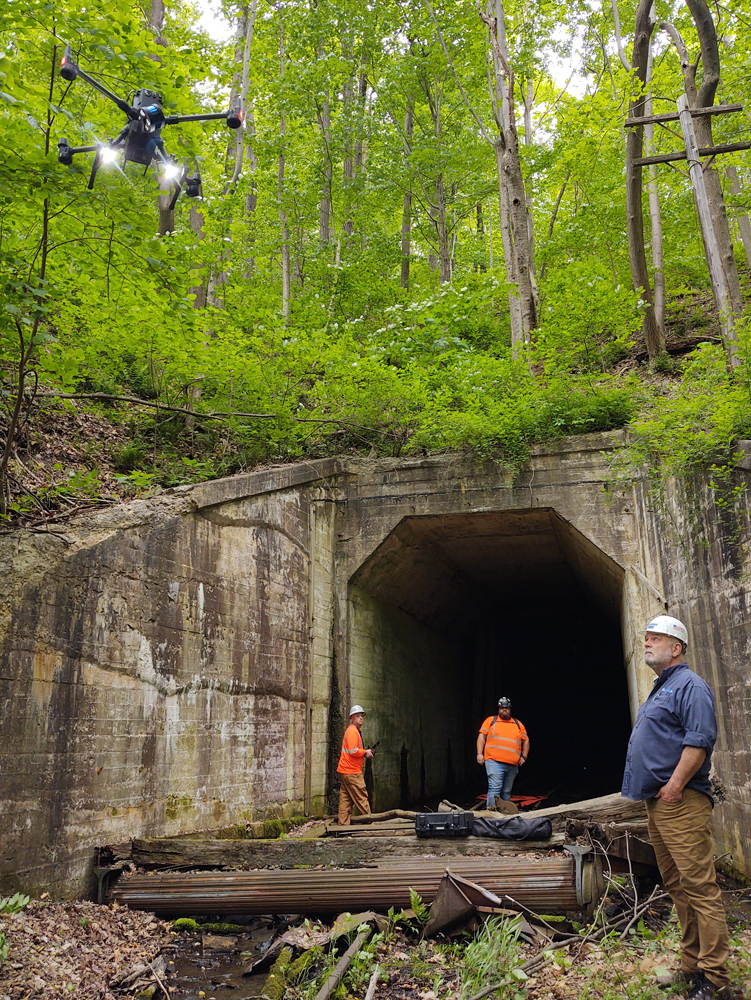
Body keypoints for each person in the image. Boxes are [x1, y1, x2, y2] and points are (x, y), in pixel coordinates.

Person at [621, 615, 732, 1000]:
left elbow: (698, 742)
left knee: (700, 888)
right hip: (661, 803)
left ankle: (715, 979)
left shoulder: (690, 686)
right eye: (647, 637)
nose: (647, 642)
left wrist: (674, 786)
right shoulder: (662, 687)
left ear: (677, 647)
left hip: (680, 802)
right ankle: (691, 966)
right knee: (679, 887)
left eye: (656, 638)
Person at [476, 697, 529, 807]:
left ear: (510, 709)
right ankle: (492, 815)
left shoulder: (518, 724)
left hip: (512, 765)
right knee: (495, 788)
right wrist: (479, 754)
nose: (504, 710)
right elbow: (481, 737)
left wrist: (524, 756)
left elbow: (526, 740)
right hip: (494, 762)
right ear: (498, 709)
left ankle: (504, 814)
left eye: (506, 708)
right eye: (502, 708)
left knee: (506, 791)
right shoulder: (491, 721)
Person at [336, 704, 374, 826]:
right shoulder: (352, 732)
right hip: (352, 772)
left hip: (345, 771)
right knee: (361, 798)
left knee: (345, 801)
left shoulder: (352, 731)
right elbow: (353, 750)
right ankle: (370, 825)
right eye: (358, 716)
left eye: (362, 716)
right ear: (352, 718)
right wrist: (365, 752)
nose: (361, 718)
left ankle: (342, 827)